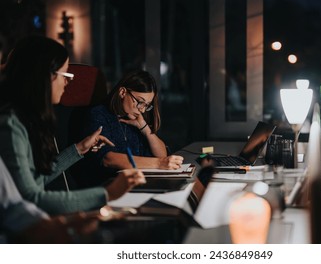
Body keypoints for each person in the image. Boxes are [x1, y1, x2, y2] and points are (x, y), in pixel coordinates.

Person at [0, 35, 146, 215]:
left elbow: (37, 179)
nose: (68, 82)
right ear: (45, 76)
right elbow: (31, 197)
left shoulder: (27, 119)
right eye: (65, 74)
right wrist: (108, 193)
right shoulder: (10, 125)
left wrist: (79, 149)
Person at [78, 69, 184, 187]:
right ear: (123, 92)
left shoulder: (133, 119)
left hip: (133, 185)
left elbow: (162, 155)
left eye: (147, 105)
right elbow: (107, 159)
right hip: (106, 187)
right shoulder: (98, 115)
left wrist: (145, 129)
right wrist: (159, 164)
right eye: (140, 102)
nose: (142, 110)